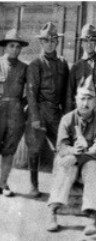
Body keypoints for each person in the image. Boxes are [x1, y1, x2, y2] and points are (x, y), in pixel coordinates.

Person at [46, 80, 96, 235]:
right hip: (72, 159)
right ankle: (53, 211)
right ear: (75, 99)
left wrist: (77, 157)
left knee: (92, 167)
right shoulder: (67, 119)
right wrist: (73, 152)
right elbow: (61, 147)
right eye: (82, 98)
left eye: (89, 99)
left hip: (92, 161)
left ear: (95, 102)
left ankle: (93, 216)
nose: (85, 103)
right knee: (64, 163)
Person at [25, 22, 69, 198]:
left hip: (56, 113)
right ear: (41, 43)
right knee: (34, 149)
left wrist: (66, 115)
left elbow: (67, 92)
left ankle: (59, 185)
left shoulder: (62, 63)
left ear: (57, 42)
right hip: (39, 110)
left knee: (63, 148)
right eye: (46, 41)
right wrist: (35, 117)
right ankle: (33, 185)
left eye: (53, 40)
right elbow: (31, 92)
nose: (50, 43)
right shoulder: (35, 64)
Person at [0, 29, 28, 196]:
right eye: (12, 46)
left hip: (15, 113)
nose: (15, 49)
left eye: (18, 47)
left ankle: (3, 183)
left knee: (9, 149)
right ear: (5, 47)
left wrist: (22, 106)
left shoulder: (25, 68)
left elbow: (31, 91)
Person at [67, 24, 96, 118]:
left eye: (92, 41)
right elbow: (69, 93)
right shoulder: (76, 66)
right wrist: (70, 116)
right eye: (85, 41)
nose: (89, 44)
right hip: (81, 111)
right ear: (81, 43)